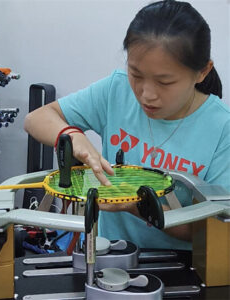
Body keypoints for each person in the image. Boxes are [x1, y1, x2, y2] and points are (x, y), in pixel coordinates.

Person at [24, 0, 230, 250]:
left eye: (164, 82)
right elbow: (36, 119)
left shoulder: (222, 128)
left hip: (184, 268)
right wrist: (72, 136)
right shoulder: (116, 91)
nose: (146, 94)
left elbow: (214, 232)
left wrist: (135, 204)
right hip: (110, 253)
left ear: (202, 72)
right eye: (136, 75)